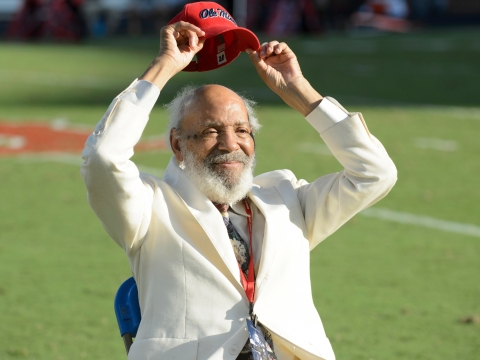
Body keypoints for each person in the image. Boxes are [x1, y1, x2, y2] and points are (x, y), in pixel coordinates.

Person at [82, 20, 397, 360]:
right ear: (177, 144)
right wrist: (162, 68)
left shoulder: (286, 199)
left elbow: (374, 173)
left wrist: (298, 90)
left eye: (242, 130)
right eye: (210, 131)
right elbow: (103, 158)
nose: (229, 144)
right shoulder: (150, 207)